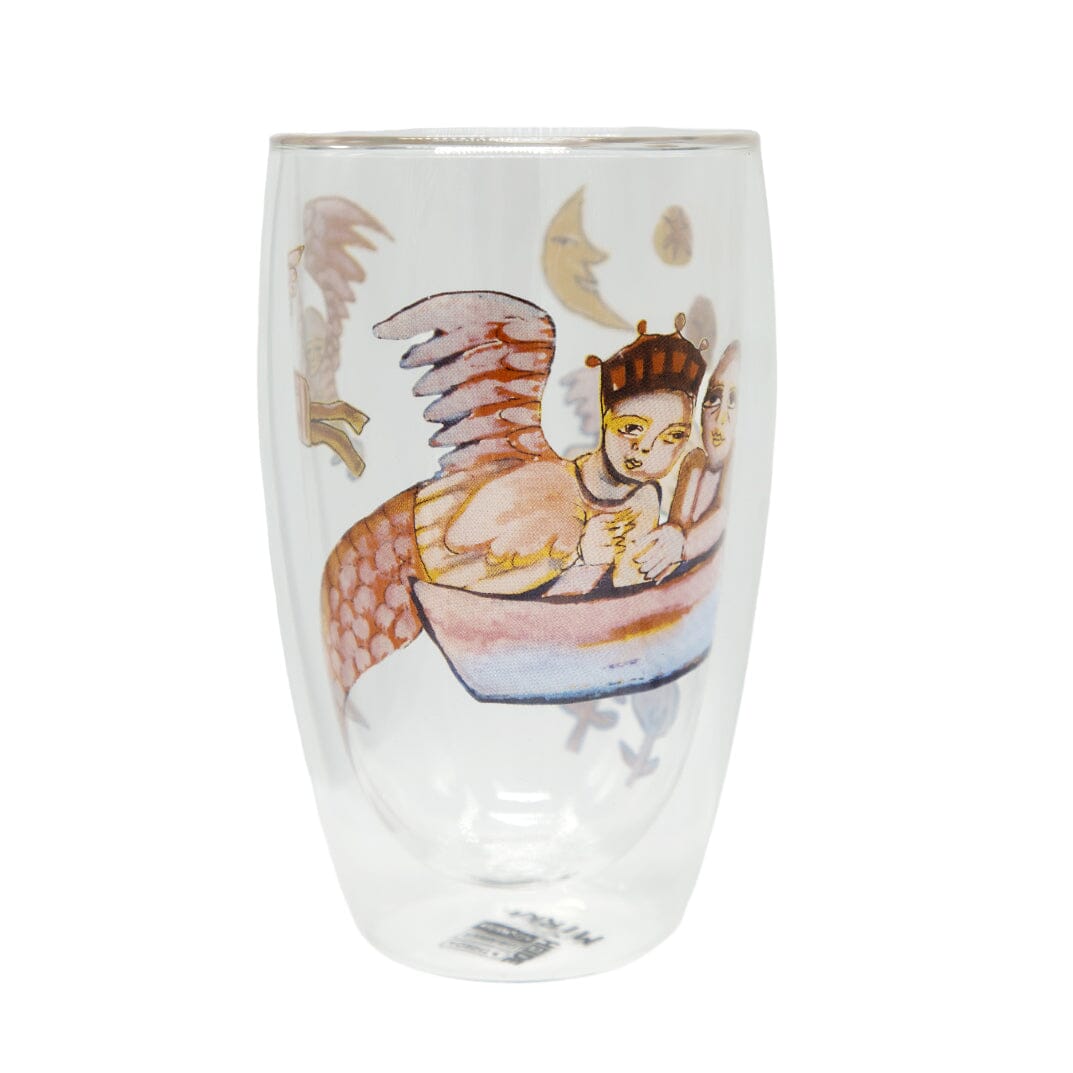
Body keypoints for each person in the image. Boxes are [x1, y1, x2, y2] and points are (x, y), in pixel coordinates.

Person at [666, 341, 740, 561]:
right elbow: (676, 527)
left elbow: (721, 512)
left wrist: (682, 547)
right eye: (714, 398)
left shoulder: (737, 465)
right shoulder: (695, 462)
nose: (721, 417)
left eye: (733, 401)